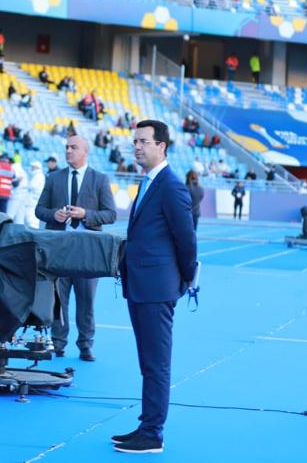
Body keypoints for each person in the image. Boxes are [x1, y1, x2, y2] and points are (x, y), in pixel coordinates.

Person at [113, 120, 196, 454]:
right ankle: (146, 425)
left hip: (157, 288)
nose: (137, 147)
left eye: (144, 141)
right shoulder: (148, 183)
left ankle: (153, 434)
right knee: (148, 362)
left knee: (157, 363)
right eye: (135, 141)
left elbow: (186, 239)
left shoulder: (172, 186)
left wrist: (186, 276)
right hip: (141, 285)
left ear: (162, 145)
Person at [34, 135, 116, 361]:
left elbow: (110, 214)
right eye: (67, 147)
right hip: (59, 251)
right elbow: (39, 210)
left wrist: (86, 214)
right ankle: (58, 343)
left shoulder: (99, 179)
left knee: (86, 300)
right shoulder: (53, 178)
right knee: (58, 300)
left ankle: (85, 345)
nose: (68, 151)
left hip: (88, 254)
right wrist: (54, 214)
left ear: (85, 151)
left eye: (73, 147)